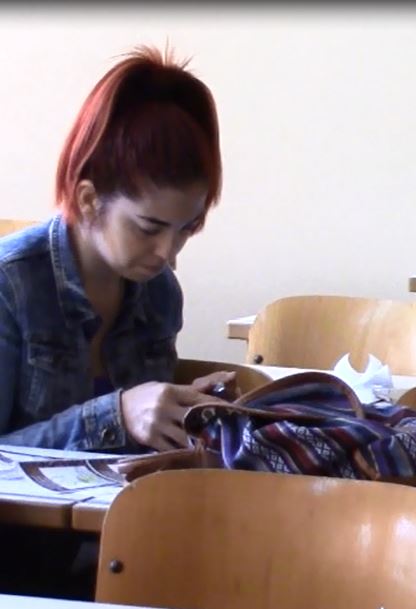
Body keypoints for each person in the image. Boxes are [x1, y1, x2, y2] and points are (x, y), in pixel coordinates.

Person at [0, 44, 228, 599]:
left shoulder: (159, 294)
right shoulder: (12, 285)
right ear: (88, 198)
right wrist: (116, 415)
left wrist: (190, 422)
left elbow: (135, 460)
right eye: (149, 227)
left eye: (186, 229)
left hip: (117, 556)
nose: (168, 253)